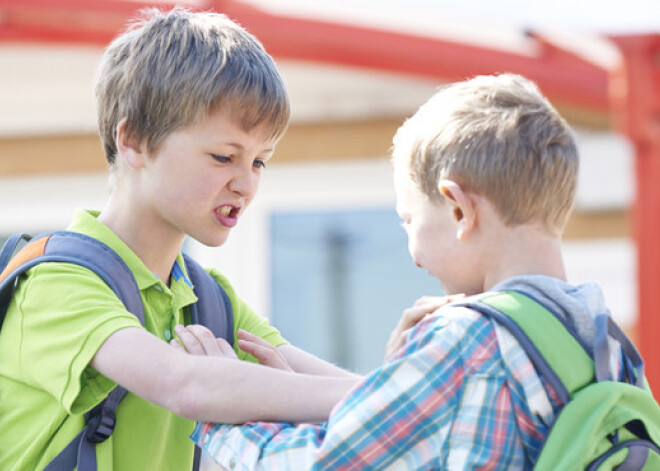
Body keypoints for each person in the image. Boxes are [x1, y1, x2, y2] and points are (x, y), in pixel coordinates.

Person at [192, 73, 624, 469]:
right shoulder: (604, 344)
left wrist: (221, 406)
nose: (414, 256)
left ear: (458, 209)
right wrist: (386, 387)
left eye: (410, 221)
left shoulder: (465, 342)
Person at [0, 8, 361, 470]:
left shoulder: (207, 301)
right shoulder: (55, 284)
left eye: (259, 162)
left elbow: (335, 387)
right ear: (134, 141)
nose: (247, 185)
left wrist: (413, 390)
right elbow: (186, 384)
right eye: (223, 156)